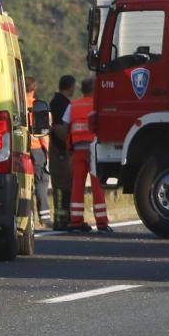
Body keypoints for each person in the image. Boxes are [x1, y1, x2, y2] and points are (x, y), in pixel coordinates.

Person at [62, 76, 112, 234]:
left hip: (78, 150)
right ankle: (102, 223)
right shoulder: (99, 105)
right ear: (95, 89)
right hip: (96, 150)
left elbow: (65, 127)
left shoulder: (73, 106)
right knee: (97, 185)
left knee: (77, 185)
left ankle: (75, 221)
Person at [48, 75, 76, 231]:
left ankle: (62, 218)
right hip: (62, 150)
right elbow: (61, 129)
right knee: (64, 186)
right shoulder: (64, 104)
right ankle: (62, 220)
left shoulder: (54, 101)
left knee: (61, 185)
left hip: (57, 148)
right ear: (70, 87)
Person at [25, 77, 52, 225]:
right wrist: (48, 151)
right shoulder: (38, 106)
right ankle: (45, 217)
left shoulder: (17, 104)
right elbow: (43, 133)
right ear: (34, 89)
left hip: (21, 149)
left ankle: (29, 218)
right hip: (36, 149)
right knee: (41, 182)